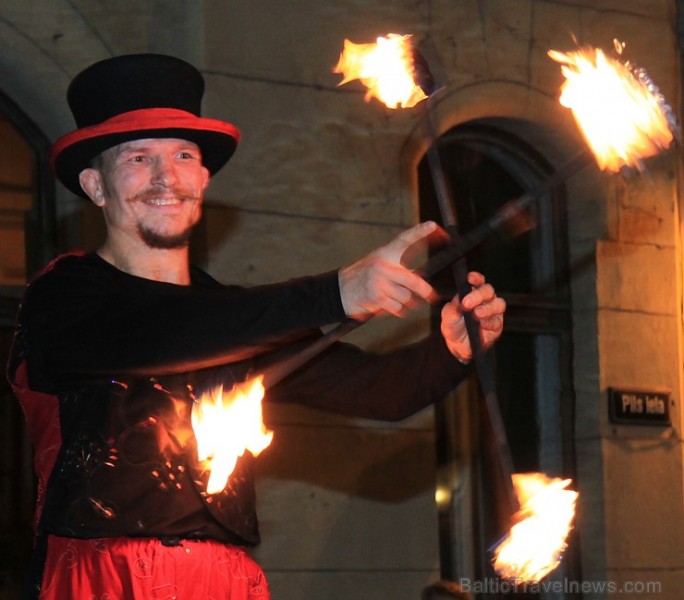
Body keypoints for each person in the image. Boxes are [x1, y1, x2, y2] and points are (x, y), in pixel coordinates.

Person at [8, 54, 506, 600]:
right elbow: (160, 335)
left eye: (182, 155)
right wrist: (335, 292)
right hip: (103, 578)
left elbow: (382, 391)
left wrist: (452, 350)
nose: (165, 177)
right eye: (137, 158)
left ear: (202, 178)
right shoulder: (64, 297)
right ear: (95, 185)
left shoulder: (233, 319)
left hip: (223, 582)